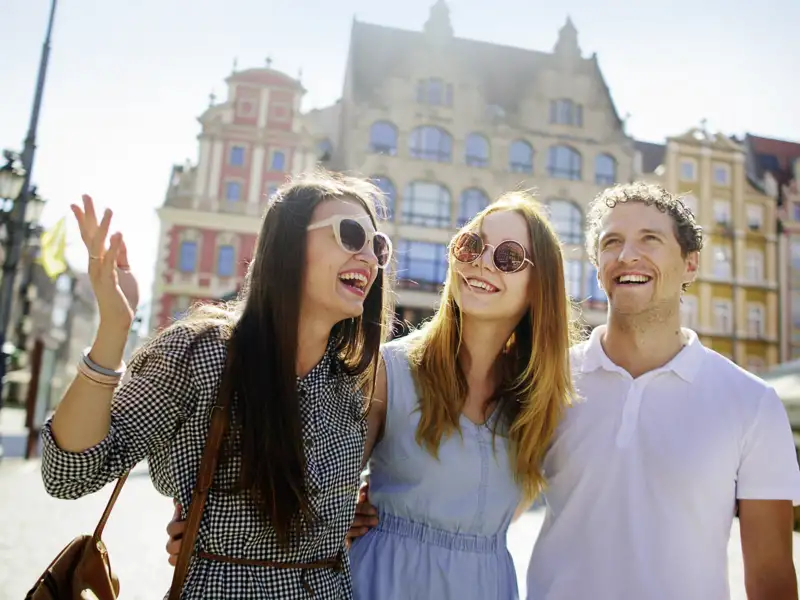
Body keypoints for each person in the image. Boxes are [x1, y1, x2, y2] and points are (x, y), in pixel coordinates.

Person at [166, 191, 577, 599]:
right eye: (472, 244)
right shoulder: (389, 370)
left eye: (507, 257)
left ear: (540, 285)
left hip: (486, 585)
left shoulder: (542, 398)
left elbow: (514, 506)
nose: (481, 262)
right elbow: (312, 483)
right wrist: (218, 524)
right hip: (384, 583)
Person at [40, 171, 395, 599]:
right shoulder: (204, 352)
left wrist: (342, 515)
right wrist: (114, 328)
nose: (371, 258)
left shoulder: (352, 382)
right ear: (287, 245)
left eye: (378, 246)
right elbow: (67, 474)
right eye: (351, 234)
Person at [524, 182, 800, 600]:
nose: (626, 255)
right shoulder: (547, 379)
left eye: (649, 239)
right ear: (599, 267)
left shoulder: (752, 403)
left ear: (691, 264)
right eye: (611, 242)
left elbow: (771, 578)